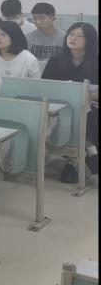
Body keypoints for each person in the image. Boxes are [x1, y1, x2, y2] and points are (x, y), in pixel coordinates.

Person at [43, 23, 99, 182]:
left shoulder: (96, 62)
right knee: (72, 114)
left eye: (79, 36)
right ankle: (90, 150)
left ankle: (72, 163)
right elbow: (44, 87)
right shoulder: (56, 60)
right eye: (70, 34)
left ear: (89, 40)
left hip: (90, 106)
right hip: (61, 106)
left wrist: (89, 95)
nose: (73, 38)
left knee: (84, 113)